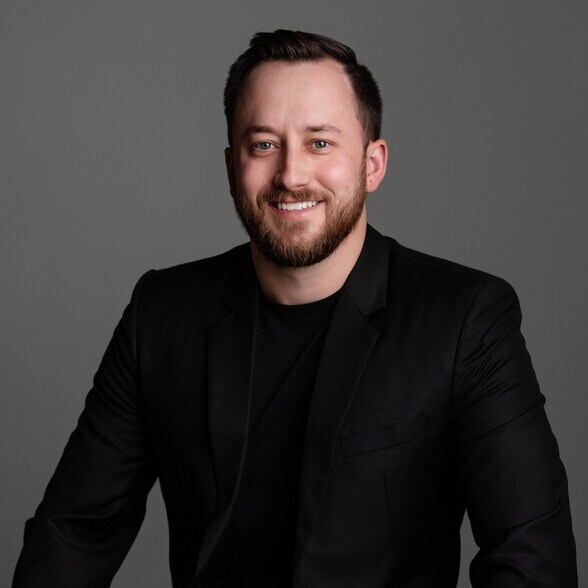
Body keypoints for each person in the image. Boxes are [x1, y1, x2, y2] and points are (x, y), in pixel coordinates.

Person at [13, 29, 577, 588]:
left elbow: (532, 559)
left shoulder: (465, 319)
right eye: (264, 145)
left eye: (320, 143)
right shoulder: (160, 315)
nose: (290, 175)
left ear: (373, 164)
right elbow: (70, 537)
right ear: (231, 166)